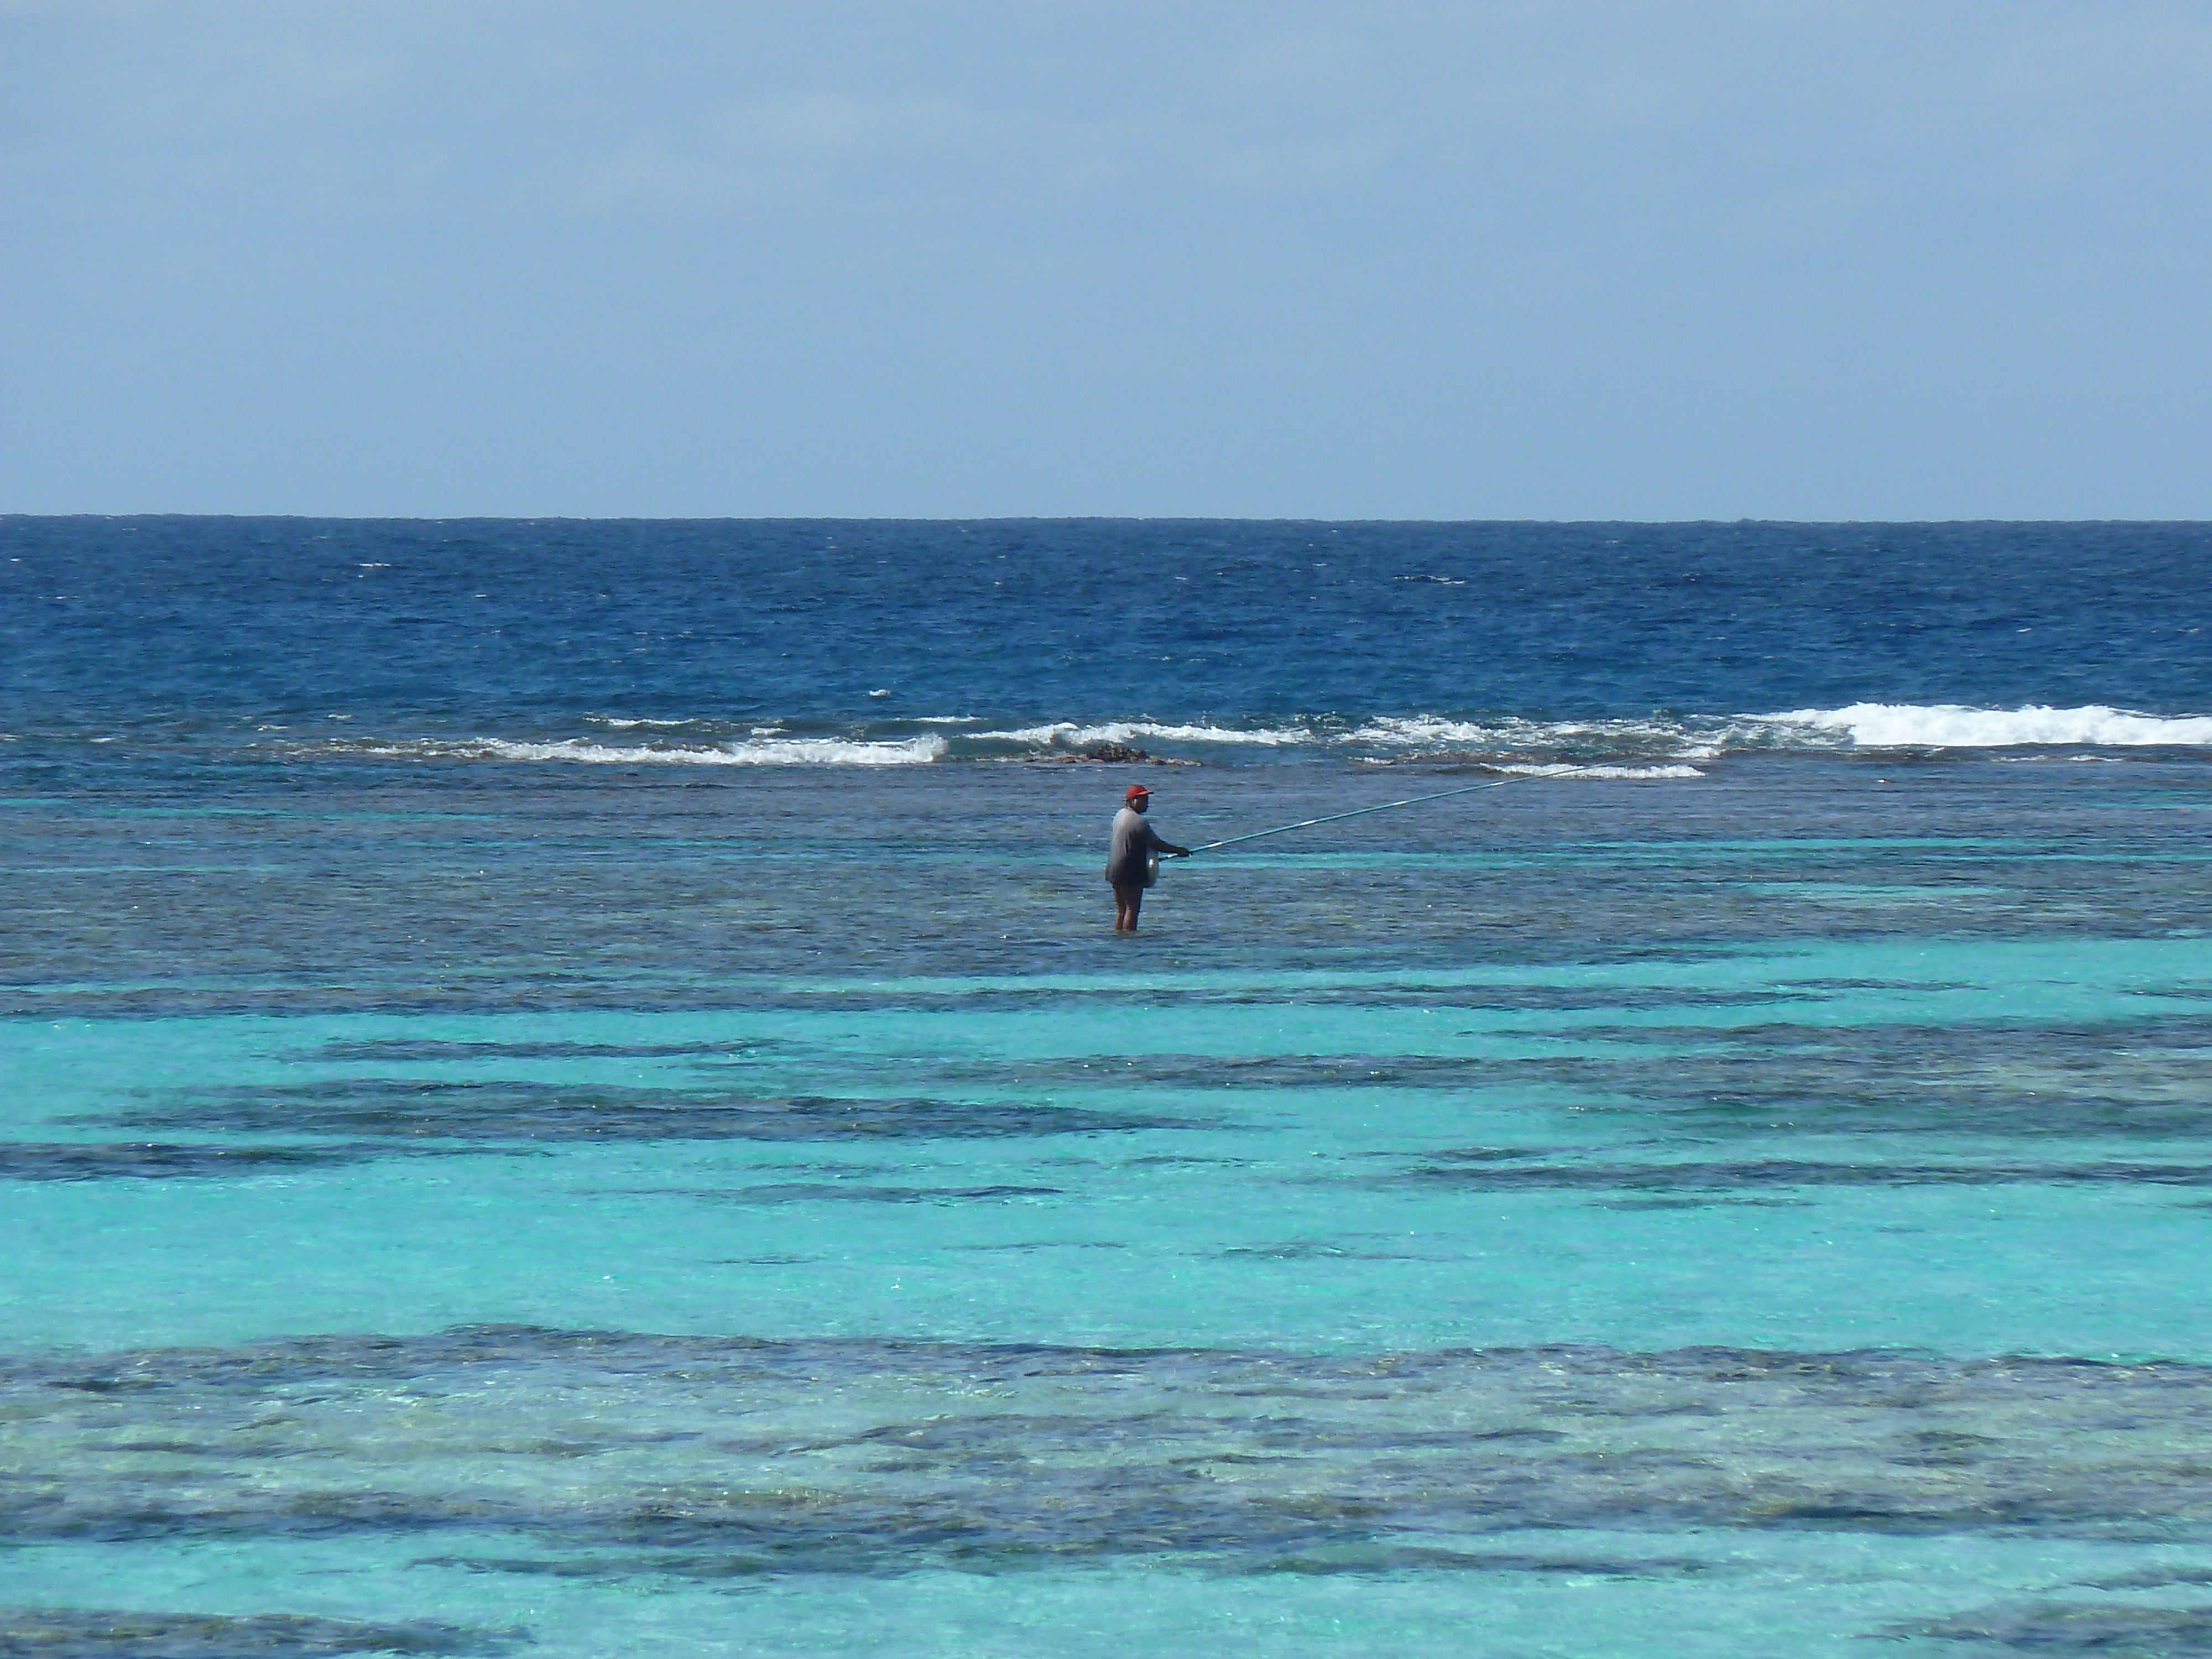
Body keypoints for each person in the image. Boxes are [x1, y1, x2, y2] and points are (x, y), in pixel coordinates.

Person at [1106, 783, 1190, 932]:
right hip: (1129, 871)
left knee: (1121, 910)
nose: (1147, 804)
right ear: (1132, 801)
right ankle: (1130, 942)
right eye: (1143, 800)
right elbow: (1158, 844)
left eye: (1147, 800)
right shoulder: (1139, 822)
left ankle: (1118, 939)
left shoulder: (1119, 815)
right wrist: (1180, 851)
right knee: (1133, 909)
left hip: (1113, 869)